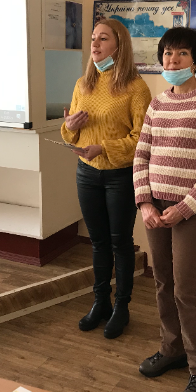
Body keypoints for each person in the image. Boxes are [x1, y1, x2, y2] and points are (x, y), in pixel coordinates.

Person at [133, 27, 196, 392]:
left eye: (182, 54)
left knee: (185, 289)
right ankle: (172, 348)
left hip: (190, 212)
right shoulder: (157, 104)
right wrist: (145, 204)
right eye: (167, 54)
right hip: (155, 209)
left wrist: (184, 207)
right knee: (162, 282)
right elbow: (141, 156)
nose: (172, 60)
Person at [62, 19, 152, 339]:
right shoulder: (82, 84)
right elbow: (70, 133)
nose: (95, 44)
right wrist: (70, 126)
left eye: (103, 38)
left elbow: (142, 138)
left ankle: (121, 307)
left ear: (119, 45)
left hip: (120, 176)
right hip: (87, 173)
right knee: (98, 243)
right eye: (93, 38)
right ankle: (100, 302)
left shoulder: (136, 88)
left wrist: (104, 148)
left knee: (120, 243)